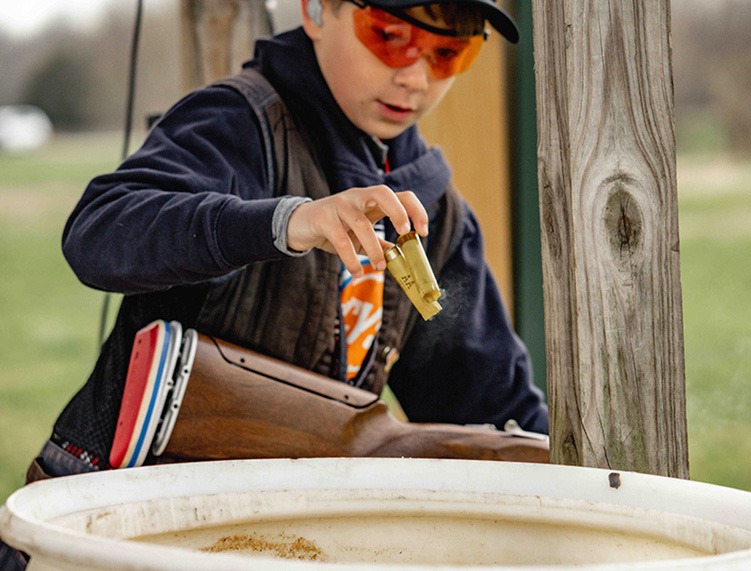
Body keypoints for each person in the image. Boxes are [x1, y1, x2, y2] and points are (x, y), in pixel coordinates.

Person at [1, 1, 550, 563]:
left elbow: (489, 404)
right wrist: (286, 222)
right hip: (110, 520)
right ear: (315, 11)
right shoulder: (235, 121)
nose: (415, 76)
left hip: (276, 540)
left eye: (447, 53)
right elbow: (98, 234)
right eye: (390, 36)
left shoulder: (436, 215)